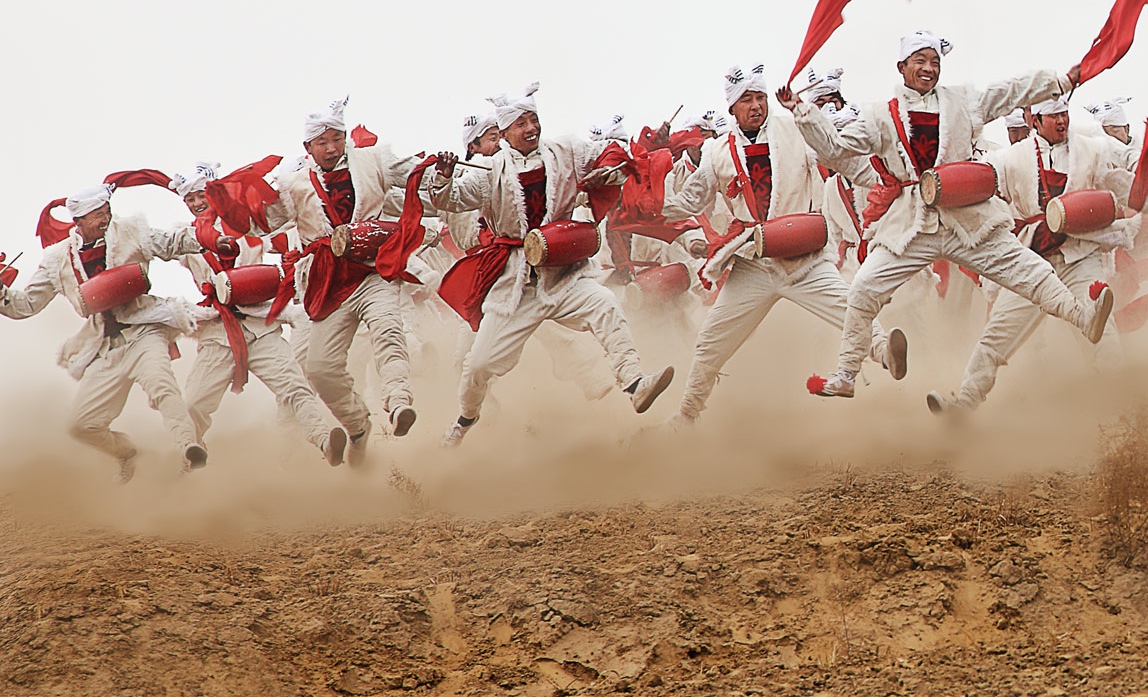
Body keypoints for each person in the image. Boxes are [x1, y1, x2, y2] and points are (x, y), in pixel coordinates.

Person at [799, 32, 1116, 398]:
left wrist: (1059, 81)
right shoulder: (879, 117)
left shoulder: (962, 103)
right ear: (901, 67)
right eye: (920, 61)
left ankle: (1083, 317)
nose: (928, 68)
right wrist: (803, 114)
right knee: (862, 289)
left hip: (967, 221)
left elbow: (1008, 92)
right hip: (911, 228)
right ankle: (846, 374)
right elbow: (834, 149)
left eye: (934, 61)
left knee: (1030, 269)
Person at [428, 85, 674, 445]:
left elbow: (612, 152)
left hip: (565, 275)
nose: (531, 128)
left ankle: (635, 383)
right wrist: (444, 176)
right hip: (516, 287)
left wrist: (606, 170)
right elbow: (449, 199)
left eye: (534, 120)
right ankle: (464, 421)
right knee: (477, 365)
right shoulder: (487, 171)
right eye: (521, 124)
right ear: (505, 133)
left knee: (606, 304)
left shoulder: (566, 151)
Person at [662, 65, 906, 421]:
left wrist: (887, 180)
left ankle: (886, 353)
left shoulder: (795, 132)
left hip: (804, 258)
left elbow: (839, 158)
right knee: (709, 344)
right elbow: (687, 203)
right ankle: (685, 417)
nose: (756, 105)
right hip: (753, 265)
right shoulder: (717, 152)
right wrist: (650, 185)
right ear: (732, 107)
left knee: (851, 307)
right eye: (747, 99)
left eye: (760, 97)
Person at [929, 94, 1141, 413]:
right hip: (1031, 260)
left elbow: (1128, 162)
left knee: (1102, 333)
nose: (1062, 120)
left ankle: (1124, 415)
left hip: (1079, 256)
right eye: (1053, 116)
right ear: (1035, 121)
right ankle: (964, 404)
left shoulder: (1090, 146)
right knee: (996, 335)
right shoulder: (1012, 158)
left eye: (1064, 113)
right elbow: (978, 178)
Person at [0, 182, 202, 480]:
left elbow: (171, 243)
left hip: (144, 332)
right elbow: (27, 305)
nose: (105, 218)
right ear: (78, 221)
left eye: (106, 211)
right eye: (97, 214)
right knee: (81, 425)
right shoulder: (57, 259)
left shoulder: (131, 231)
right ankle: (128, 453)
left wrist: (208, 235)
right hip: (106, 347)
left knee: (162, 385)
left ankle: (190, 449)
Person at [264, 98, 442, 451]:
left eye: (337, 139)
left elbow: (418, 173)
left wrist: (445, 172)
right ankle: (357, 426)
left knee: (389, 331)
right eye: (323, 142)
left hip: (372, 271)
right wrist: (245, 203)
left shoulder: (372, 161)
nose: (331, 148)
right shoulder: (292, 185)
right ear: (308, 147)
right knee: (320, 369)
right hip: (328, 284)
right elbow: (263, 223)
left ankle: (399, 401)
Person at [171, 165, 348, 465]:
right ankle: (188, 456)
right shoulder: (185, 238)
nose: (198, 203)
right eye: (191, 199)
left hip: (262, 326)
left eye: (202, 195)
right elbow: (155, 246)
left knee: (295, 388)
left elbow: (287, 232)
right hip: (218, 332)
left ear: (217, 192)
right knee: (194, 403)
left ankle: (324, 441)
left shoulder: (248, 225)